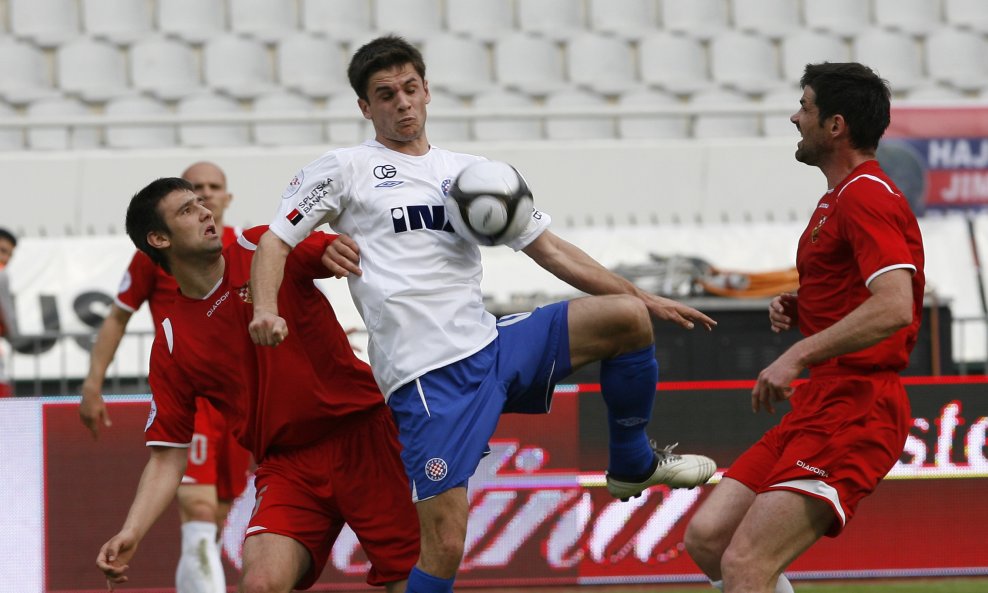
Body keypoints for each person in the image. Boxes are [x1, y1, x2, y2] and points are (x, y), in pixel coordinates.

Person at [248, 35, 718, 593]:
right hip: (427, 380)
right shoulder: (346, 169)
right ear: (365, 107)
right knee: (444, 547)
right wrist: (265, 310)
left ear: (427, 91)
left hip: (491, 346)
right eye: (386, 94)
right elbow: (275, 240)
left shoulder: (473, 174)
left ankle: (632, 464)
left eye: (410, 88)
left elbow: (552, 250)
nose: (402, 102)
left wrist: (646, 297)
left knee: (626, 318)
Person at [96, 177, 418, 592]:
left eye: (202, 202)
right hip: (288, 466)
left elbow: (332, 248)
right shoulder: (172, 341)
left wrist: (333, 249)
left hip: (365, 438)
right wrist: (132, 531)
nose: (205, 211)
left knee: (408, 580)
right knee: (260, 584)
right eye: (187, 210)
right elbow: (167, 456)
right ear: (159, 239)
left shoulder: (260, 246)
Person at [684, 62, 925, 593]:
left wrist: (796, 353)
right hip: (821, 402)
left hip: (858, 407)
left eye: (805, 107)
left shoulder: (866, 195)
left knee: (746, 562)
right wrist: (806, 306)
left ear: (835, 125)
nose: (795, 118)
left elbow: (895, 306)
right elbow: (860, 293)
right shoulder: (838, 198)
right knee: (709, 539)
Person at [79, 162, 252, 593]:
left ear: (227, 198)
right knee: (198, 511)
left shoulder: (247, 250)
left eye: (213, 188)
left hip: (242, 403)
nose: (206, 196)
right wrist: (92, 383)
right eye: (195, 190)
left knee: (215, 518)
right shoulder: (155, 257)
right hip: (192, 399)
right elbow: (118, 316)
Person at [0, 227, 17, 397]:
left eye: (9, 254)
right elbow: (7, 312)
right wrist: (13, 335)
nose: (5, 258)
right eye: (2, 251)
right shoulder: (1, 274)